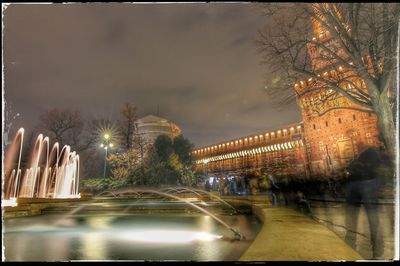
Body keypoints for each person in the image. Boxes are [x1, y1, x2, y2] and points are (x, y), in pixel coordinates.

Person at [344, 147, 384, 259]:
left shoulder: (368, 154)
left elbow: (349, 169)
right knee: (370, 219)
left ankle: (350, 248)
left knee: (354, 218)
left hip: (359, 184)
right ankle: (376, 251)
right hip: (364, 184)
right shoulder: (369, 155)